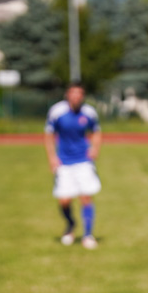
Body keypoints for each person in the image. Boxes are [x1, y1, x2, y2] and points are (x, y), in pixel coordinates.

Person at [44, 82, 102, 249]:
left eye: (79, 94)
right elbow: (49, 135)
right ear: (67, 95)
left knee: (85, 197)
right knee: (64, 200)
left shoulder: (89, 112)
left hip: (83, 160)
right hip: (63, 161)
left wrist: (95, 148)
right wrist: (52, 157)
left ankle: (88, 235)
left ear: (83, 96)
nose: (76, 96)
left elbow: (96, 131)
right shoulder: (57, 112)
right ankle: (70, 225)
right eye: (73, 93)